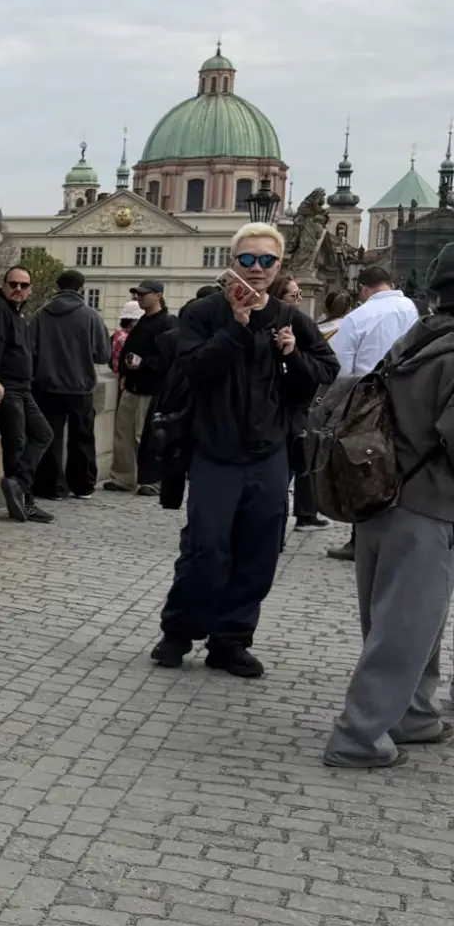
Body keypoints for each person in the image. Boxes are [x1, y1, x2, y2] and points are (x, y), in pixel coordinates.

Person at [151, 224, 337, 678]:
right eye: (247, 260)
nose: (256, 270)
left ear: (278, 268)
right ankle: (179, 630)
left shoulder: (290, 317)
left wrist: (293, 355)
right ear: (232, 262)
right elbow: (194, 370)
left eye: (266, 262)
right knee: (207, 546)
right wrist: (235, 327)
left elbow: (326, 370)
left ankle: (231, 639)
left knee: (259, 548)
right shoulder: (204, 313)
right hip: (215, 449)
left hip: (269, 451)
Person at [323, 242, 454, 769]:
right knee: (407, 624)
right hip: (426, 504)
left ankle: (415, 714)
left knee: (409, 619)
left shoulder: (418, 338)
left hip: (380, 494)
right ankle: (359, 736)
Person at [326, 270, 419, 564]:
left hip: (367, 401)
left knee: (363, 465)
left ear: (363, 288)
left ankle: (361, 539)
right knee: (402, 465)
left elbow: (340, 367)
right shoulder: (413, 309)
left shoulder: (358, 317)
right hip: (409, 397)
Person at [0, 267, 55, 524]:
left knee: (43, 433)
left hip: (23, 388)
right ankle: (23, 501)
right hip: (8, 387)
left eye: (24, 285)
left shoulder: (18, 314)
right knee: (16, 444)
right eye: (13, 284)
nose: (18, 289)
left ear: (30, 289)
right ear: (4, 285)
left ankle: (18, 485)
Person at [29, 269, 111, 499]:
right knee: (82, 437)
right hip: (80, 386)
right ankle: (82, 485)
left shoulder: (40, 315)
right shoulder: (91, 316)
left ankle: (50, 486)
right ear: (81, 289)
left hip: (46, 386)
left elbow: (30, 350)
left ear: (57, 287)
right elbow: (102, 355)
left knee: (50, 437)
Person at [105, 280, 177, 495]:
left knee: (146, 436)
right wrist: (126, 374)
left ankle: (153, 480)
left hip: (152, 389)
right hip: (133, 386)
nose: (139, 297)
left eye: (144, 294)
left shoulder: (169, 323)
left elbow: (168, 358)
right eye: (138, 293)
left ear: (158, 295)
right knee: (123, 435)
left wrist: (142, 364)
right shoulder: (142, 322)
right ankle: (122, 477)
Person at [270, 273, 329, 531]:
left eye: (300, 295)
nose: (299, 300)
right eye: (294, 295)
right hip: (273, 413)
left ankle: (301, 515)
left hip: (296, 408)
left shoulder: (301, 325)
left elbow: (325, 367)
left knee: (298, 462)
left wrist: (294, 354)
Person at [110, 301, 143, 374]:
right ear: (131, 321)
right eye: (139, 320)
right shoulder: (125, 338)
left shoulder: (118, 333)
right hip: (126, 377)